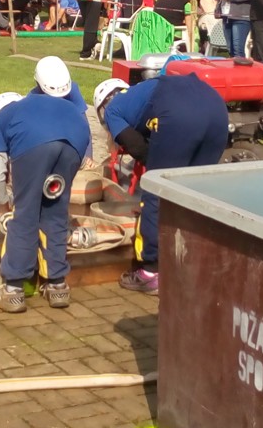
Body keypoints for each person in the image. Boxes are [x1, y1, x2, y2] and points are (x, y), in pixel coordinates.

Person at [94, 72, 229, 295]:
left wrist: (160, 166)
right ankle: (194, 264)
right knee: (196, 193)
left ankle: (151, 273)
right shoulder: (141, 93)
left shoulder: (113, 111)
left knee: (155, 190)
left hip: (179, 114)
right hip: (218, 110)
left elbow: (137, 149)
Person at [0, 90, 92, 313]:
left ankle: (12, 291)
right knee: (55, 211)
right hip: (77, 137)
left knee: (25, 214)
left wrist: (3, 203)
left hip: (34, 144)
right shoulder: (34, 106)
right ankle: (57, 286)